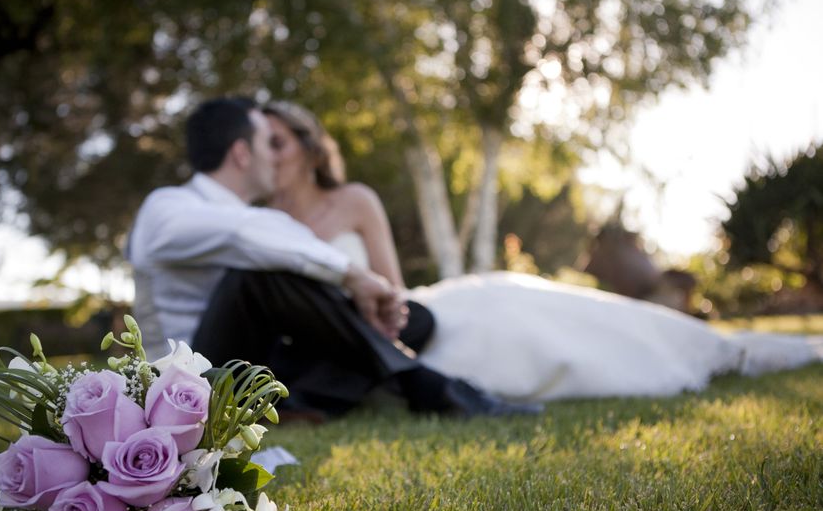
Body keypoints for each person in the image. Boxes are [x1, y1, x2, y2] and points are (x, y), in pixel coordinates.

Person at [263, 100, 823, 400]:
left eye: (278, 142)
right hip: (350, 344)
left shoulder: (354, 200)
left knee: (518, 309)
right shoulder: (260, 221)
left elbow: (388, 281)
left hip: (404, 316)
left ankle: (707, 347)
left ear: (311, 149)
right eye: (261, 145)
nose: (270, 155)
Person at [126, 96, 542, 417]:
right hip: (189, 380)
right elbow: (244, 235)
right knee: (252, 278)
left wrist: (360, 288)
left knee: (408, 320)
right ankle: (429, 388)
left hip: (264, 363)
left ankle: (300, 405)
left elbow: (267, 236)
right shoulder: (167, 206)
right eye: (265, 144)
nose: (273, 155)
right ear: (241, 154)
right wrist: (354, 275)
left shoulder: (262, 220)